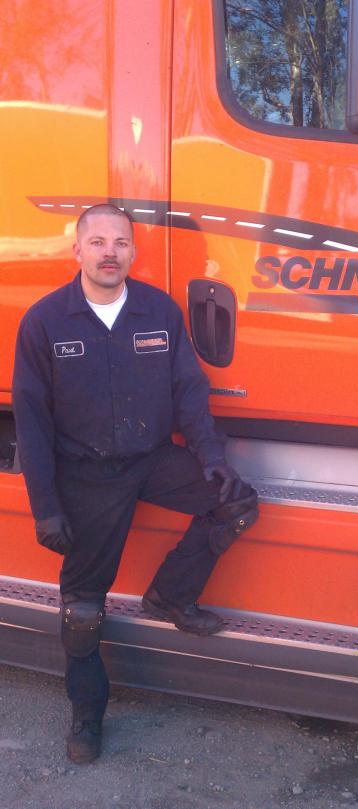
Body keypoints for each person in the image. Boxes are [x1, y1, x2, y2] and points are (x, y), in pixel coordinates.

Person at [12, 204, 258, 765]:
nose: (108, 252)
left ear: (132, 251)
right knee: (81, 611)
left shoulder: (158, 311)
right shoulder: (46, 321)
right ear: (77, 251)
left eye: (119, 242)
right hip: (86, 474)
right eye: (96, 242)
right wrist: (45, 507)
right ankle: (86, 714)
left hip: (152, 459)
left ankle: (169, 595)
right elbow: (32, 419)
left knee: (236, 503)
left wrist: (210, 456)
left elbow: (190, 392)